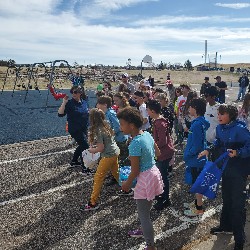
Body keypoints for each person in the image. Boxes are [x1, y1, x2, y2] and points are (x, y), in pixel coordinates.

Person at [198, 104, 250, 250]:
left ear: (231, 116)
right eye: (218, 114)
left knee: (237, 204)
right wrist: (209, 149)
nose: (219, 116)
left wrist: (239, 153)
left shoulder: (240, 129)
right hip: (226, 170)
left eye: (222, 114)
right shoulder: (220, 128)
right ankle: (225, 226)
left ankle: (239, 239)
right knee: (226, 199)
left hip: (239, 172)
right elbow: (218, 142)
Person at [117, 107, 164, 250]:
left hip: (144, 179)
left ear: (131, 125)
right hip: (153, 173)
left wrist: (126, 184)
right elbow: (158, 153)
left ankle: (150, 246)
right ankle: (143, 231)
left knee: (144, 215)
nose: (120, 127)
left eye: (122, 124)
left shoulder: (134, 144)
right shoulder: (147, 134)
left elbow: (135, 170)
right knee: (146, 210)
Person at [81, 108, 120, 211]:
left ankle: (93, 203)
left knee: (98, 178)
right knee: (116, 173)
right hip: (115, 151)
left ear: (92, 119)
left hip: (108, 155)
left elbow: (101, 148)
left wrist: (90, 150)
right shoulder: (106, 124)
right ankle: (127, 189)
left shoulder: (98, 130)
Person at [183, 98, 210, 216]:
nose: (189, 109)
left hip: (196, 159)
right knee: (196, 182)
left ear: (195, 109)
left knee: (197, 185)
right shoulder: (199, 122)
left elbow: (197, 145)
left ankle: (199, 209)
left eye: (190, 106)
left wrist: (188, 154)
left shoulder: (197, 125)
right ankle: (196, 203)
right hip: (197, 159)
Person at [147, 100, 174, 210]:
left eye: (148, 110)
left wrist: (151, 145)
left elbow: (162, 141)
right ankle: (161, 195)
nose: (147, 112)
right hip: (161, 152)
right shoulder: (158, 121)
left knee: (163, 176)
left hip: (163, 153)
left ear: (152, 111)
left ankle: (165, 199)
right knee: (160, 175)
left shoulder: (160, 123)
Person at [58, 86, 90, 173]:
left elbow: (87, 112)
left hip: (84, 128)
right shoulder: (70, 103)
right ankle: (85, 168)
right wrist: (64, 102)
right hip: (75, 129)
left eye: (75, 92)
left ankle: (74, 161)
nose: (73, 94)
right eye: (72, 92)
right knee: (85, 147)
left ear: (80, 93)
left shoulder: (84, 102)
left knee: (81, 144)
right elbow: (60, 114)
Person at [96, 96, 128, 163]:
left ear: (105, 105)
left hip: (120, 140)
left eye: (98, 104)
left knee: (120, 160)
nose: (97, 105)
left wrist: (109, 134)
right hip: (113, 139)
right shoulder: (104, 113)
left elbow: (118, 127)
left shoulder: (111, 113)